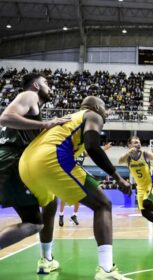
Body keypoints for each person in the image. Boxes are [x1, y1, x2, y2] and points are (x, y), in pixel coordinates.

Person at [18, 96, 132, 279]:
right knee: (103, 204)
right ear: (95, 107)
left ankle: (46, 259)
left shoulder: (70, 120)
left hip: (26, 164)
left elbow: (83, 147)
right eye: (104, 108)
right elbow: (93, 147)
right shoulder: (93, 115)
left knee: (50, 204)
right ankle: (106, 269)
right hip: (51, 158)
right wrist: (118, 177)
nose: (105, 113)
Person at [0, 72, 68, 273]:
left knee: (39, 217)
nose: (49, 86)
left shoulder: (31, 109)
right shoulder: (29, 96)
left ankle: (47, 259)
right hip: (10, 164)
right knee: (35, 222)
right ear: (36, 85)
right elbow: (5, 118)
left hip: (11, 164)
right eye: (46, 82)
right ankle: (46, 259)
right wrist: (44, 124)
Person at [118, 136, 153, 237]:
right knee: (145, 213)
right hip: (140, 187)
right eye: (135, 143)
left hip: (151, 184)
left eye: (139, 142)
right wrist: (128, 152)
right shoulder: (128, 158)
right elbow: (119, 160)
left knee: (147, 202)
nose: (138, 144)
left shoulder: (145, 154)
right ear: (129, 145)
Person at [58, 143, 112, 227]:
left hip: (78, 176)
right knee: (64, 197)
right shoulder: (69, 151)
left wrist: (104, 148)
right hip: (68, 174)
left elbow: (93, 152)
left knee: (79, 197)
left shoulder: (83, 152)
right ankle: (61, 215)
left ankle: (74, 215)